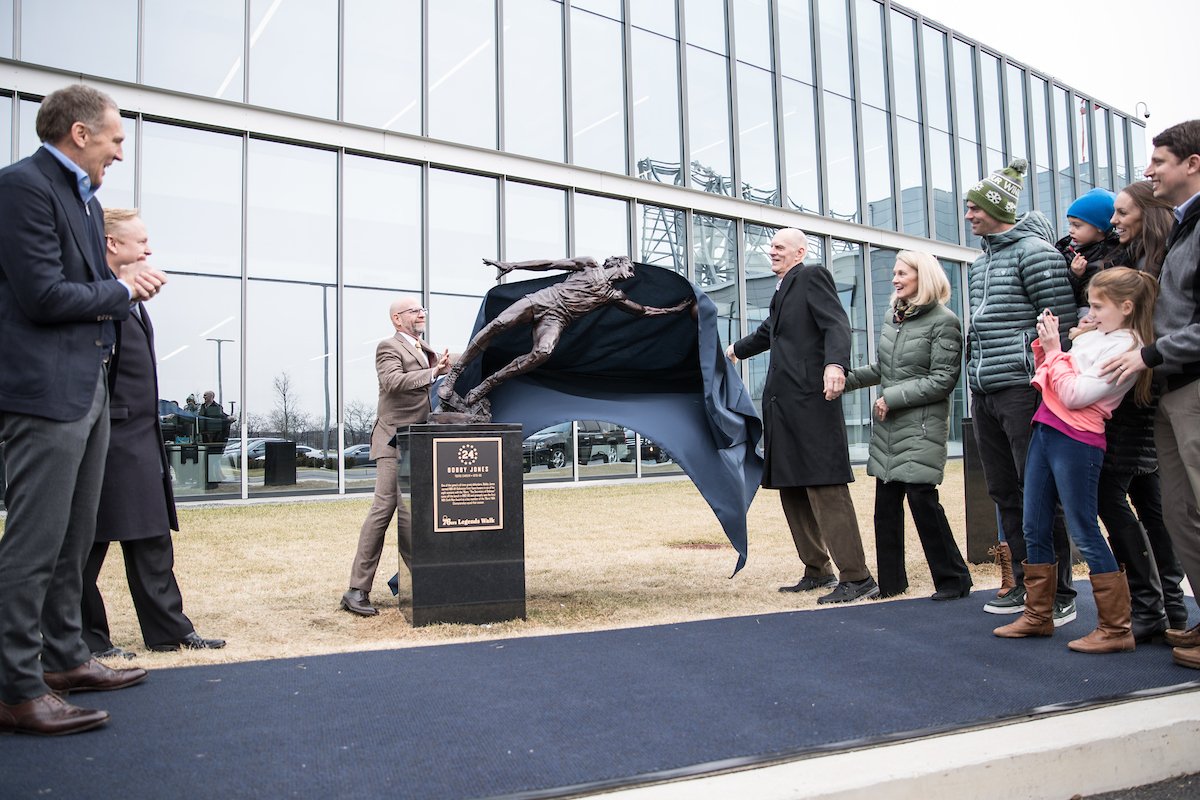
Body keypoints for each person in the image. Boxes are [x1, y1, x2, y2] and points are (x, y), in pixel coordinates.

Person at [0, 85, 166, 736]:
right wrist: (122, 290)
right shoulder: (22, 188)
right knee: (35, 543)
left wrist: (116, 291)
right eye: (115, 139)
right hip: (45, 394)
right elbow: (42, 295)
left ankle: (65, 659)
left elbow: (82, 288)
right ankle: (17, 687)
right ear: (79, 133)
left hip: (86, 391)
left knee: (72, 541)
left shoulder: (85, 201)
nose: (119, 153)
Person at [81, 209, 226, 659]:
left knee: (151, 539)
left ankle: (168, 631)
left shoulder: (130, 298)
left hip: (140, 443)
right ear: (111, 243)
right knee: (86, 548)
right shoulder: (92, 293)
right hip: (104, 442)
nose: (149, 249)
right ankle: (86, 641)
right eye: (141, 241)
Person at [994, 268, 1157, 654]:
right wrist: (1051, 348)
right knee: (1033, 524)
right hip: (1046, 429)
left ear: (1126, 307)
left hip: (1077, 439)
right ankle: (1038, 615)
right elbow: (1053, 378)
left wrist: (1055, 351)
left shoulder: (1128, 348)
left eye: (1098, 306)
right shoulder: (1097, 337)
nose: (1091, 313)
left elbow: (1073, 394)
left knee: (1084, 529)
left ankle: (1115, 628)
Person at [726, 228, 878, 604]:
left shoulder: (812, 276)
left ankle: (857, 577)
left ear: (800, 252)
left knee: (825, 485)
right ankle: (817, 570)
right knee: (791, 487)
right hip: (783, 407)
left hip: (812, 402)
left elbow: (836, 323)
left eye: (779, 246)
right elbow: (768, 334)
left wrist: (836, 364)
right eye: (771, 246)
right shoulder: (782, 291)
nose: (772, 251)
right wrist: (732, 351)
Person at [1098, 120, 1200, 670]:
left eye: (1159, 160)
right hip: (1166, 389)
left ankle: (1162, 609)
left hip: (1182, 385)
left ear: (1192, 163)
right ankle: (1185, 614)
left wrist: (1149, 352)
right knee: (1180, 514)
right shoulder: (1181, 228)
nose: (1149, 169)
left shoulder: (1186, 231)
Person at [963, 158, 1079, 622]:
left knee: (1039, 490)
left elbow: (1060, 325)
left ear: (998, 209)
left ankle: (1061, 592)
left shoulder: (1036, 254)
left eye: (975, 208)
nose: (968, 215)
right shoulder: (978, 265)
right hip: (985, 390)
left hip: (1024, 388)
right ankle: (1026, 584)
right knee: (1004, 491)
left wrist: (1042, 377)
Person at [1086, 181, 1187, 642]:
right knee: (1150, 502)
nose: (1114, 221)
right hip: (1142, 390)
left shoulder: (1158, 261)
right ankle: (1169, 608)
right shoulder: (1137, 257)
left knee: (1111, 494)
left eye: (1123, 212)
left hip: (1137, 394)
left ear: (1150, 213)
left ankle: (1150, 605)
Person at [844, 251, 972, 600]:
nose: (895, 279)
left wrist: (892, 397)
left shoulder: (944, 322)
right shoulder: (894, 318)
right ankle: (891, 585)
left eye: (902, 273)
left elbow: (943, 380)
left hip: (921, 427)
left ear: (923, 277)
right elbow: (884, 369)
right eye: (895, 273)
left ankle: (954, 580)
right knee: (885, 509)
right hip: (890, 427)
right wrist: (845, 380)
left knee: (923, 503)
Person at [438, 256, 693, 412]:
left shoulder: (614, 295)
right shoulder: (589, 265)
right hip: (545, 299)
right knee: (497, 325)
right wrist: (513, 265)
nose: (632, 273)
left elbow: (643, 311)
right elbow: (550, 264)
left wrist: (673, 310)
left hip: (558, 318)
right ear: (617, 263)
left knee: (543, 352)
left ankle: (486, 385)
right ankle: (454, 375)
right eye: (630, 267)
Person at [342, 297, 452, 616]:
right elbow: (392, 382)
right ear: (397, 319)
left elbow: (447, 363)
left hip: (416, 442)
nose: (421, 314)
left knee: (410, 514)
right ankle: (357, 590)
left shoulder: (423, 348)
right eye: (414, 311)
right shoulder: (388, 347)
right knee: (385, 510)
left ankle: (413, 581)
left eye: (422, 310)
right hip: (393, 441)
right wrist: (433, 373)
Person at [1055, 188, 1120, 313]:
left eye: (1077, 225)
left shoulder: (1113, 254)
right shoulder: (1065, 249)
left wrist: (1076, 276)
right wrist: (1073, 274)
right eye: (1070, 224)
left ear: (1099, 227)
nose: (1071, 230)